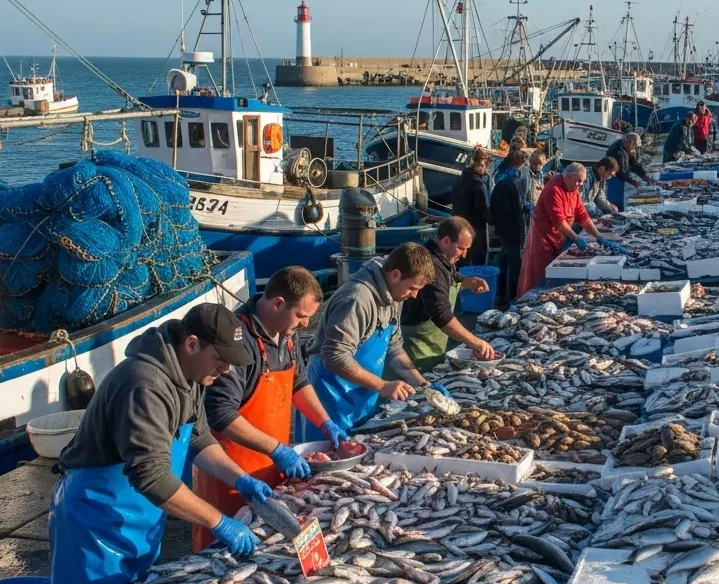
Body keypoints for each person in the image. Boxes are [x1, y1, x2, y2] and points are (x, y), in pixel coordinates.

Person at [49, 303, 265, 584]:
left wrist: (241, 479)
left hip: (138, 517)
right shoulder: (144, 385)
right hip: (96, 516)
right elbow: (149, 477)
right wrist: (218, 521)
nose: (225, 370)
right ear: (191, 344)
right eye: (220, 359)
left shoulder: (193, 375)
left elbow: (197, 437)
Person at [197, 268, 335, 552]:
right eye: (301, 316)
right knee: (225, 552)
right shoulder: (236, 340)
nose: (307, 323)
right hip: (230, 474)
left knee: (269, 548)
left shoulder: (288, 333)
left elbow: (297, 382)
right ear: (278, 303)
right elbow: (220, 414)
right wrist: (276, 449)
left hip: (270, 467)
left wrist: (325, 423)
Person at [307, 243, 437, 432]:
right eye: (412, 288)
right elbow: (335, 357)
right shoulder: (356, 299)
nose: (415, 296)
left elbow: (393, 346)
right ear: (395, 274)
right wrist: (383, 385)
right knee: (326, 455)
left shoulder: (395, 295)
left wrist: (423, 386)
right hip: (330, 395)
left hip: (362, 393)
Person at [400, 217, 496, 370]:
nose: (464, 255)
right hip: (418, 346)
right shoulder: (433, 265)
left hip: (431, 342)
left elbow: (451, 277)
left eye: (466, 249)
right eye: (461, 248)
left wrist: (468, 281)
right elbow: (441, 314)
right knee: (418, 384)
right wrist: (474, 342)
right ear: (446, 241)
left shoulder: (443, 258)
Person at [517, 163, 621, 296]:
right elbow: (559, 222)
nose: (580, 185)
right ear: (568, 177)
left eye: (582, 182)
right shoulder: (553, 190)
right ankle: (527, 301)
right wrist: (576, 238)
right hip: (542, 239)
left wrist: (598, 237)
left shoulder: (573, 190)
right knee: (538, 275)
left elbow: (582, 215)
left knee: (554, 273)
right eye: (578, 181)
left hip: (558, 238)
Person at [489, 148, 531, 307]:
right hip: (510, 228)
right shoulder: (509, 183)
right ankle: (511, 296)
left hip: (503, 227)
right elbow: (512, 208)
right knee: (514, 262)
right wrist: (524, 207)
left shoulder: (501, 179)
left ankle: (500, 293)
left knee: (504, 259)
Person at [451, 146, 492, 265]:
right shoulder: (478, 185)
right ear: (481, 165)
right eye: (486, 166)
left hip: (458, 229)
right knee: (477, 266)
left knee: (460, 264)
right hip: (475, 234)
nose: (486, 169)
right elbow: (483, 212)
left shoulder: (458, 180)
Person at [603, 132, 651, 206]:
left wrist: (644, 175)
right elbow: (618, 172)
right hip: (615, 179)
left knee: (623, 202)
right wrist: (632, 181)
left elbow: (633, 163)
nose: (635, 149)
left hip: (622, 178)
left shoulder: (626, 148)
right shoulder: (616, 151)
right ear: (628, 142)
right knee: (615, 204)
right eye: (634, 146)